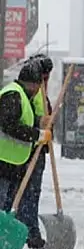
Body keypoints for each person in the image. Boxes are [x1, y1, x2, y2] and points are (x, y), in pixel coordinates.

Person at [0, 61, 51, 218]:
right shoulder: (13, 95)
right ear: (34, 85)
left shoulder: (20, 96)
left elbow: (21, 120)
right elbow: (9, 125)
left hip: (12, 165)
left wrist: (38, 122)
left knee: (6, 210)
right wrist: (37, 135)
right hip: (2, 162)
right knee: (1, 207)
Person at [15, 54, 53, 249]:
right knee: (28, 193)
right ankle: (29, 233)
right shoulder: (34, 91)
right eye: (46, 76)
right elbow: (33, 117)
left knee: (29, 193)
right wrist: (40, 131)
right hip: (31, 149)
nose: (46, 80)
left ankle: (28, 231)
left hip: (35, 146)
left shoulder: (38, 90)